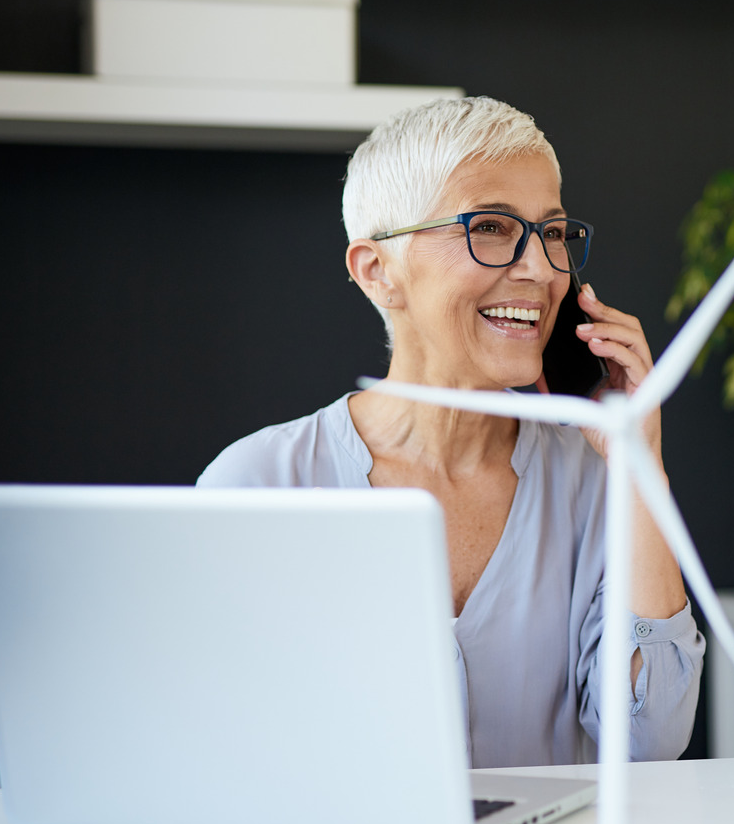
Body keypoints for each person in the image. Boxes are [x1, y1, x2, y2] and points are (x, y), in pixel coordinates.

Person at [198, 97, 704, 768]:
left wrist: (640, 464)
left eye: (553, 233)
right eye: (491, 227)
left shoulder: (595, 480)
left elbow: (650, 741)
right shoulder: (260, 483)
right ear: (377, 271)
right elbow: (218, 748)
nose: (540, 268)